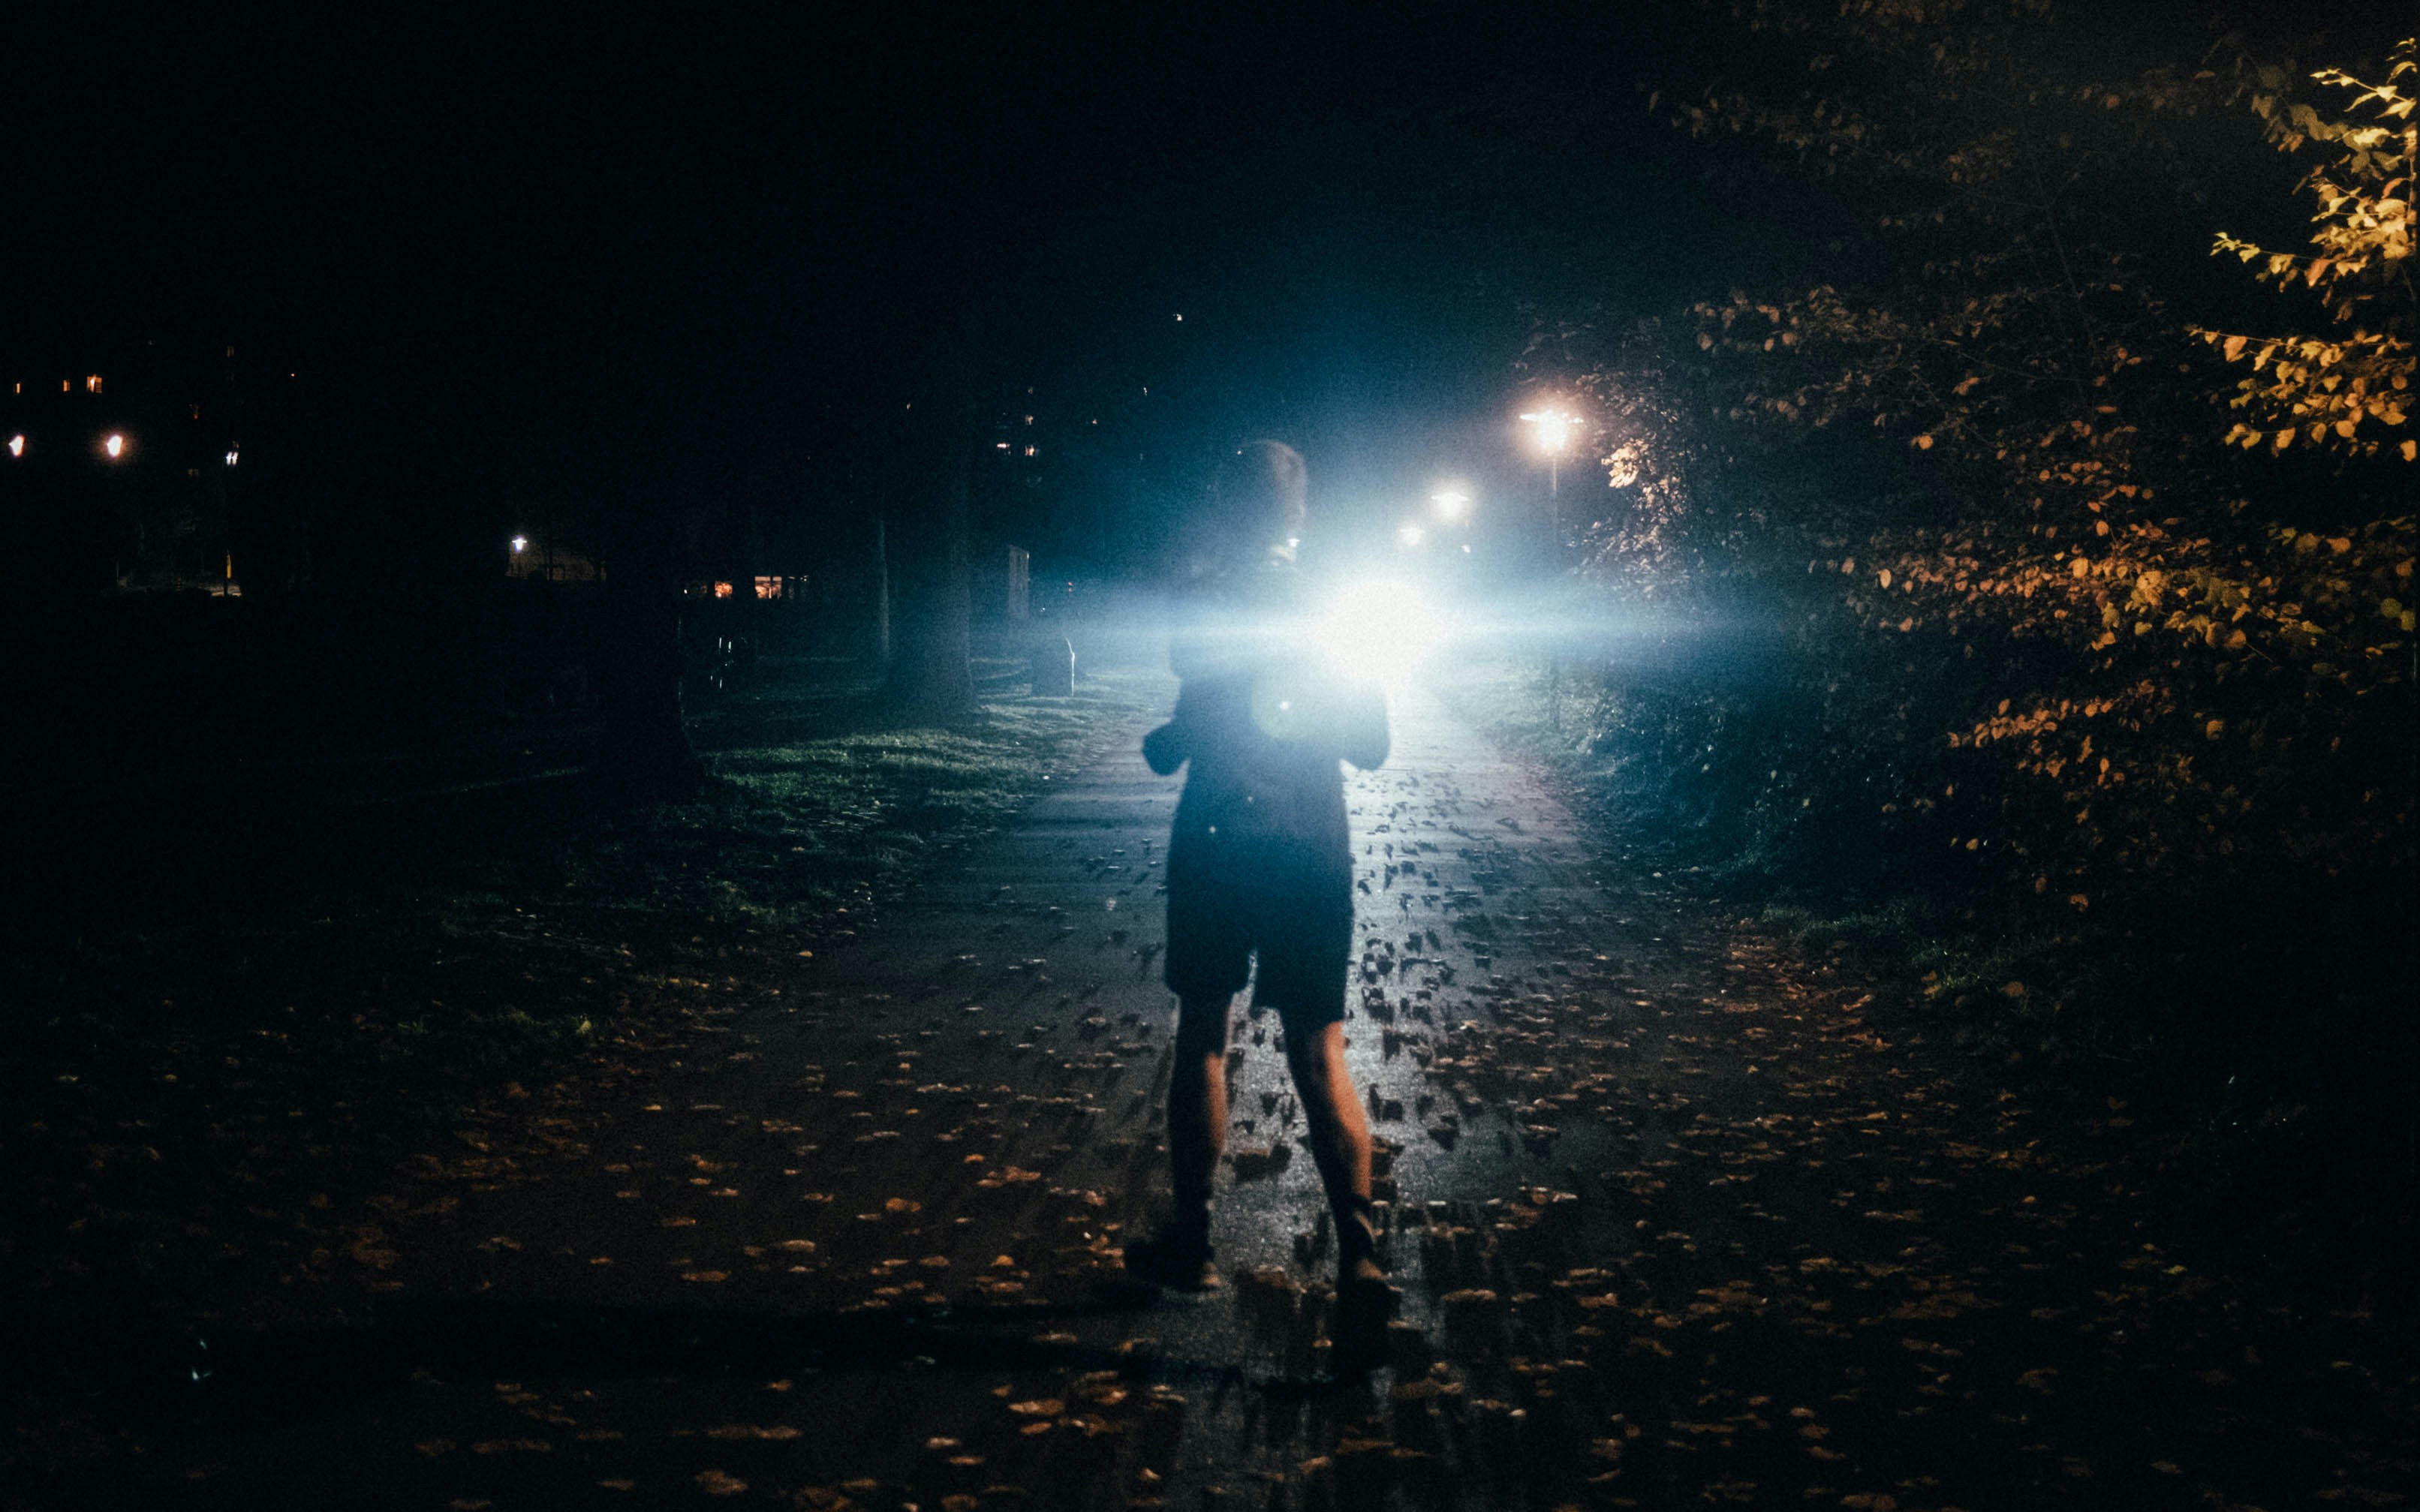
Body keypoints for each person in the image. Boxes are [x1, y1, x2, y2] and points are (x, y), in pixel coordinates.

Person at [1124, 440, 1397, 1345]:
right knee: (1320, 1049)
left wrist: (1178, 733)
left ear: (1219, 502)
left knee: (1204, 1034)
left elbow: (1197, 711)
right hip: (1309, 840)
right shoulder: (1339, 605)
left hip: (1214, 838)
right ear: (1299, 510)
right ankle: (1360, 1255)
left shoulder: (1198, 589)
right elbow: (1369, 743)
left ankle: (1192, 1243)